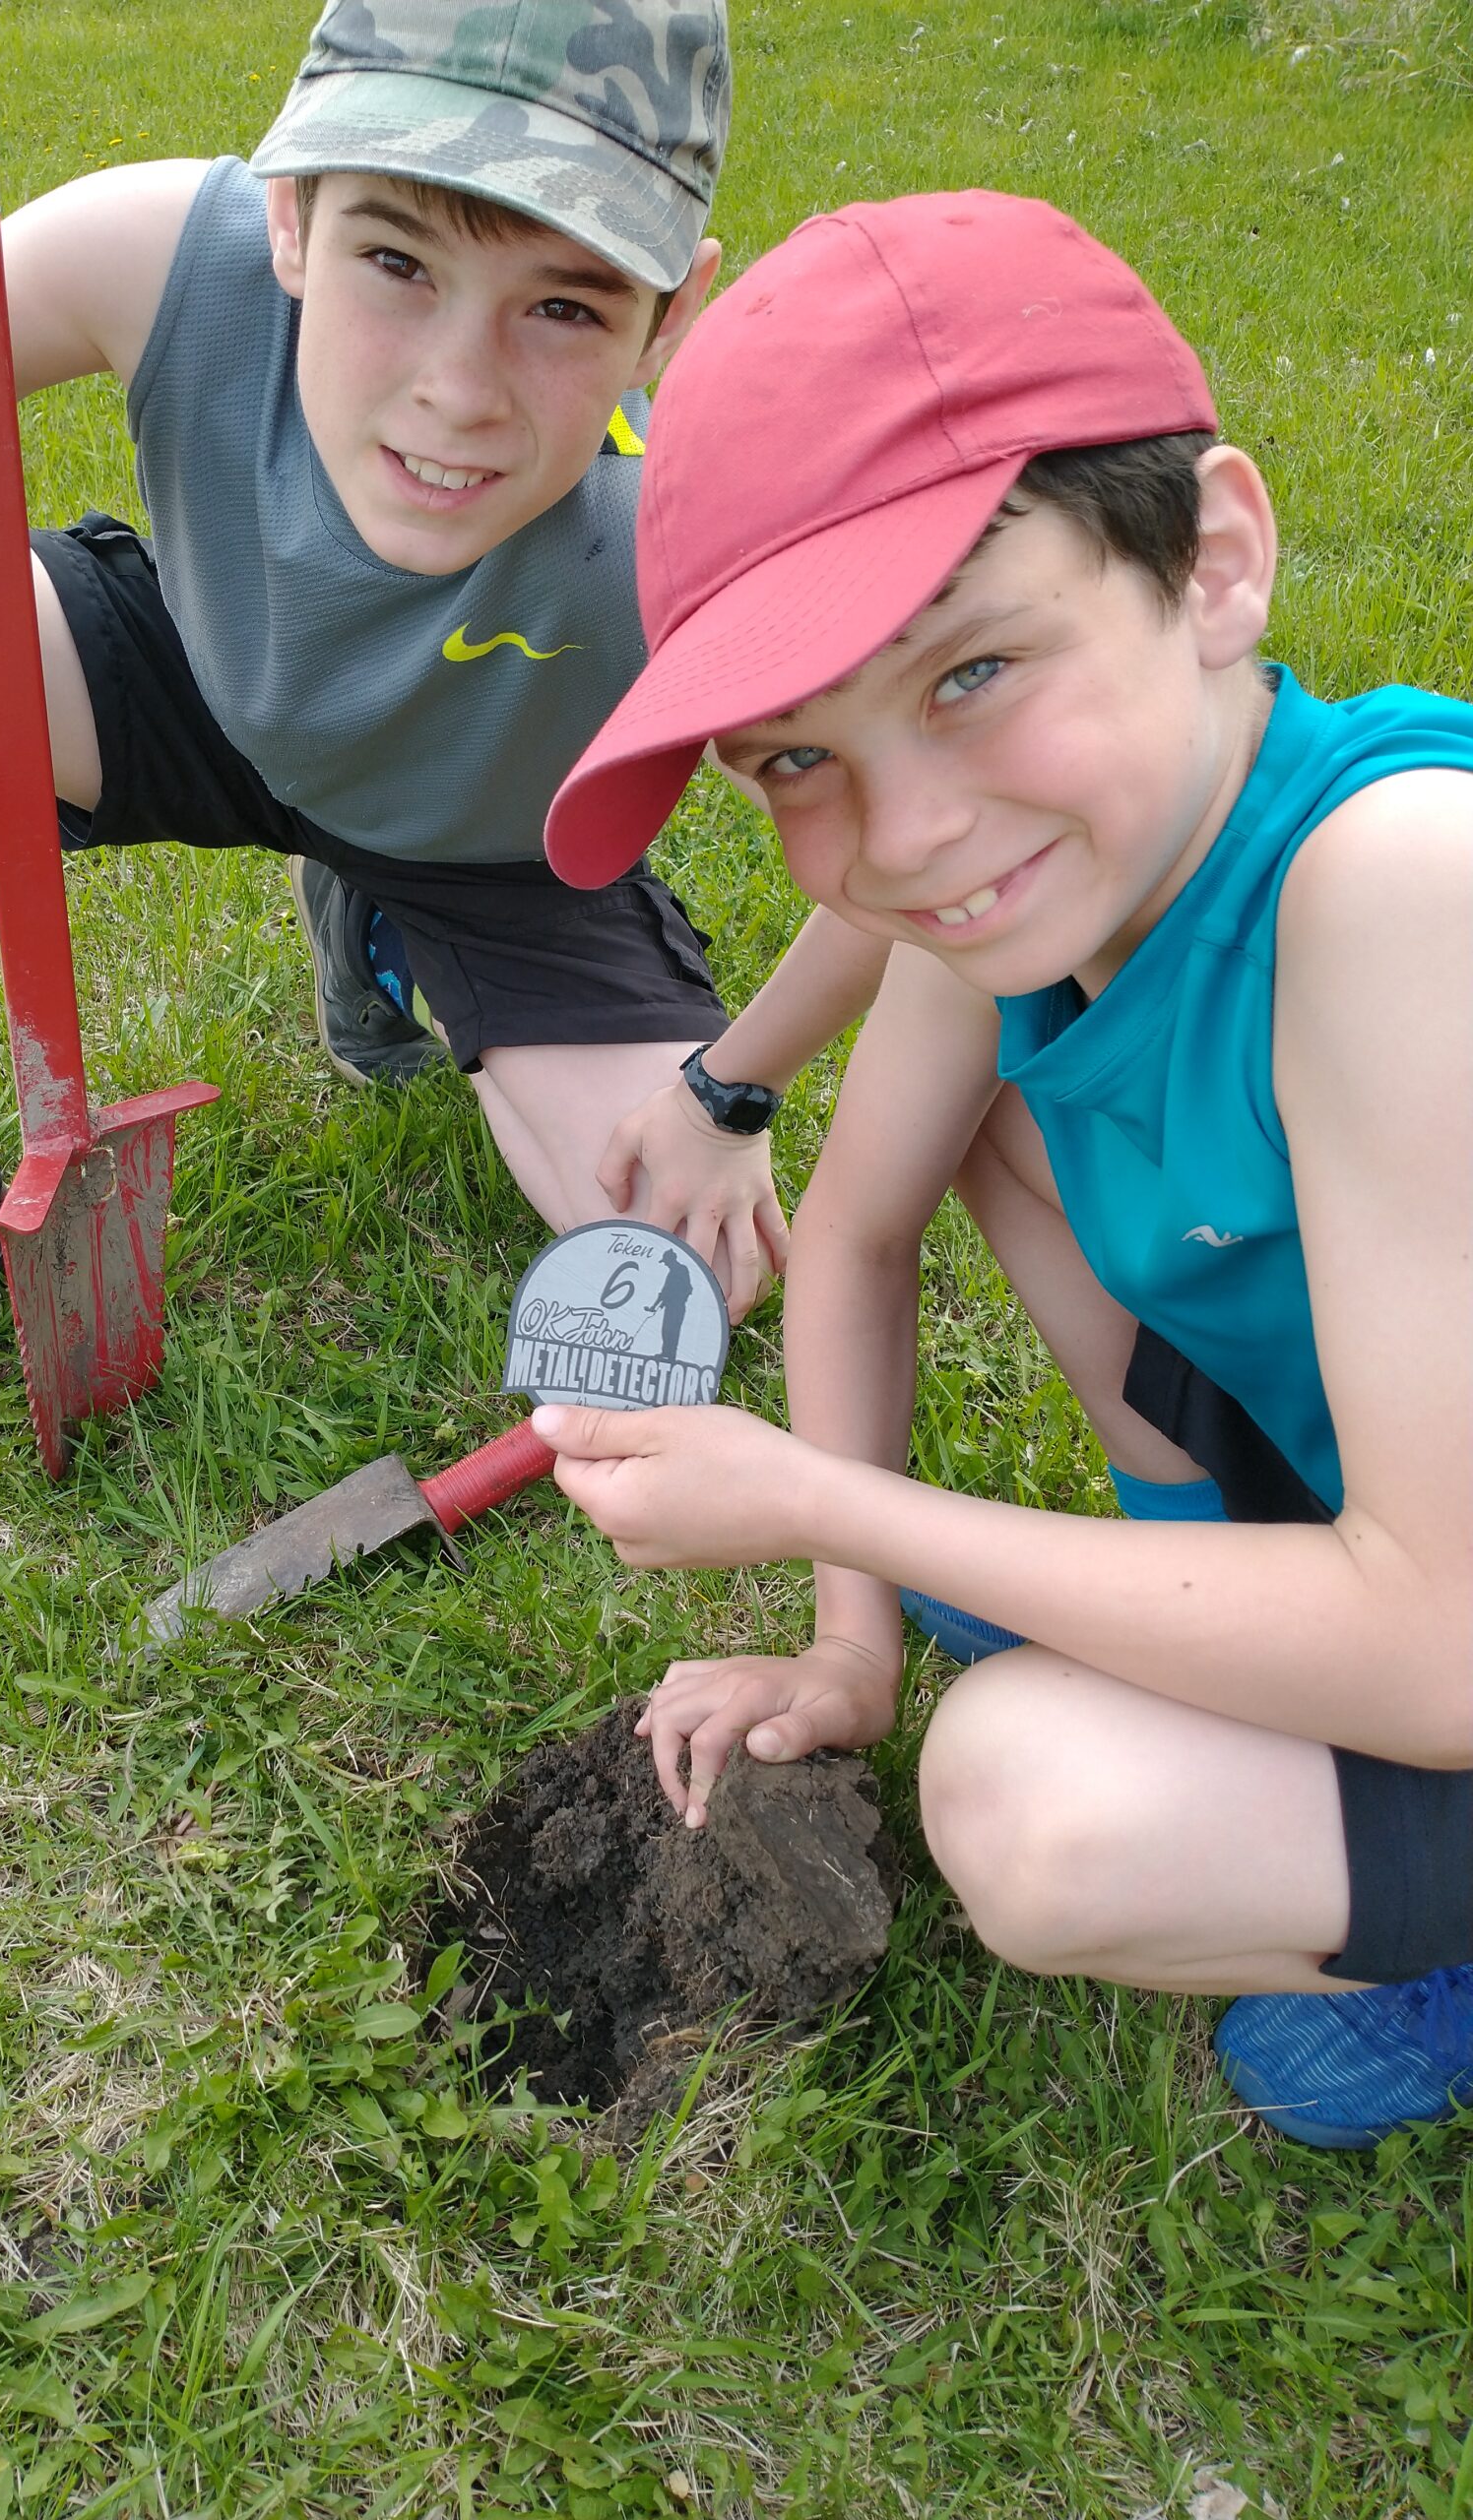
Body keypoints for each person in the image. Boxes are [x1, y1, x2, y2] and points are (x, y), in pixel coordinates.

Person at [532, 191, 1473, 2149]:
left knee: (1024, 1799)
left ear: (1214, 557)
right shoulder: (1029, 895)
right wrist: (847, 1636)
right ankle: (1215, 1623)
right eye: (797, 759)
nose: (904, 831)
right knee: (1002, 1142)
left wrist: (809, 1493)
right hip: (1394, 1481)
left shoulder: (1398, 886)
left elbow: (1444, 1647)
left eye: (968, 672)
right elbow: (860, 1236)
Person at [0, 0, 883, 1458]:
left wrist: (729, 1094)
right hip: (216, 680)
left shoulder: (707, 508)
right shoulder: (183, 255)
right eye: (398, 264)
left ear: (675, 314)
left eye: (566, 304)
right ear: (292, 215)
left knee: (686, 1272)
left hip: (502, 838)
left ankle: (387, 923)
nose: (457, 391)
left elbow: (912, 846)